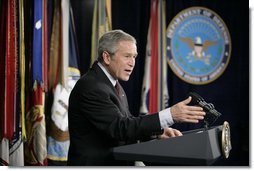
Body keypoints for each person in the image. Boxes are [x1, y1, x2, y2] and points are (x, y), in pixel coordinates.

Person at [67, 29, 206, 166]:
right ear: (107, 57)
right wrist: (170, 115)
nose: (132, 63)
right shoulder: (92, 87)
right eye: (127, 56)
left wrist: (158, 132)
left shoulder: (112, 84)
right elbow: (120, 128)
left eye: (134, 56)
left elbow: (127, 121)